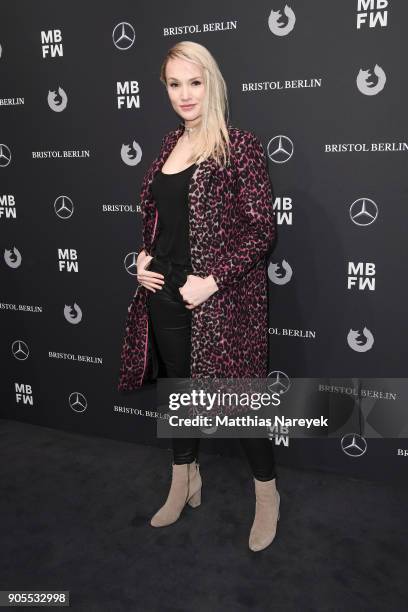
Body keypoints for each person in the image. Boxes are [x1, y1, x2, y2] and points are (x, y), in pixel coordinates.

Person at [121, 41, 279, 552]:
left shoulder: (241, 145)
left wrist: (212, 280)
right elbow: (161, 219)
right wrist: (144, 259)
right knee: (180, 391)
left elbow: (261, 232)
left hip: (221, 296)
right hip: (163, 289)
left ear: (212, 83)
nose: (185, 94)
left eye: (195, 81)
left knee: (239, 399)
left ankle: (267, 495)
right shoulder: (168, 145)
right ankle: (184, 481)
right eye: (174, 84)